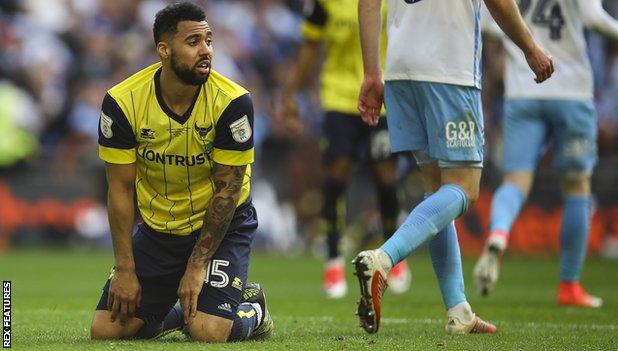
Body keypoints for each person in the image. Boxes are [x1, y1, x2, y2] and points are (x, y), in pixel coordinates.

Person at [354, 0, 554, 334]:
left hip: (400, 70)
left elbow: (369, 2)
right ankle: (384, 259)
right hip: (448, 68)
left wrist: (372, 71)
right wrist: (530, 48)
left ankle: (458, 310)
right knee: (464, 188)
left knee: (438, 191)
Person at [89, 2, 273, 342]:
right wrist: (125, 269)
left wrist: (196, 266)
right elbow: (119, 190)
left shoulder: (233, 102)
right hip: (160, 231)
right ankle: (177, 315)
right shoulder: (122, 102)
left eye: (209, 40)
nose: (206, 51)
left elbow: (228, 191)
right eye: (193, 42)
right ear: (163, 50)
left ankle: (254, 309)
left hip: (223, 226)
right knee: (106, 330)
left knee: (208, 332)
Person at [474, 0, 618, 308]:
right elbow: (593, 18)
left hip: (523, 90)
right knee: (577, 186)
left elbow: (489, 23)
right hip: (571, 91)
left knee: (515, 181)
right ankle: (569, 285)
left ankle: (499, 231)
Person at [280, 0, 409, 299]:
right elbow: (310, 45)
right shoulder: (324, 3)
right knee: (336, 176)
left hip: (385, 96)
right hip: (339, 98)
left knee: (386, 177)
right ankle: (334, 260)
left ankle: (394, 252)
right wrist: (290, 93)